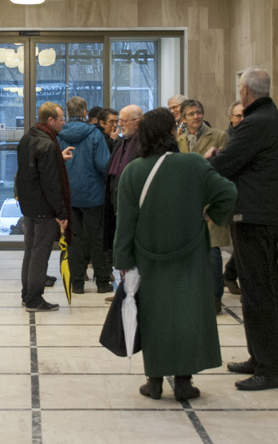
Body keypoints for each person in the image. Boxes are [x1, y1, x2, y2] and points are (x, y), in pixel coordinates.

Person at [116, 109, 237, 402]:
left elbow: (126, 222)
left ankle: (154, 381)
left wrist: (122, 261)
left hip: (148, 257)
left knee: (153, 316)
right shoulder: (193, 164)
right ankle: (184, 381)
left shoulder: (133, 170)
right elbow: (228, 193)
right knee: (186, 314)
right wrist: (210, 215)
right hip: (190, 254)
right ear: (172, 133)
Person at [208, 67, 278, 391]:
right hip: (263, 214)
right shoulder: (270, 118)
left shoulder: (255, 123)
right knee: (256, 291)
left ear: (244, 91)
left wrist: (209, 159)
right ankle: (259, 357)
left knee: (257, 294)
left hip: (253, 217)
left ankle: (269, 369)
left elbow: (226, 164)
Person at [16, 102, 74, 311]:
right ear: (50, 120)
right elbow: (51, 182)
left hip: (29, 207)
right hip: (44, 209)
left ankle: (27, 294)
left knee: (30, 252)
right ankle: (34, 299)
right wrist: (61, 212)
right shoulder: (48, 144)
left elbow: (31, 170)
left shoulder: (27, 138)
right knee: (40, 254)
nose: (63, 122)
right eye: (60, 119)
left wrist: (58, 158)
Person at [177, 99, 232, 313]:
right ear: (183, 118)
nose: (195, 117)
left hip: (209, 198)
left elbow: (226, 166)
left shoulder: (218, 136)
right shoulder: (179, 140)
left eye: (198, 112)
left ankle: (215, 297)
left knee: (212, 250)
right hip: (186, 201)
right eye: (190, 114)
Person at [57, 96, 113, 295]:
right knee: (98, 238)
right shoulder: (95, 134)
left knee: (74, 239)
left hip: (69, 196)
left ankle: (77, 283)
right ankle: (103, 282)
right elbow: (103, 165)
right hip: (93, 195)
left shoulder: (58, 135)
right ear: (84, 113)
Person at [104, 104, 143, 300]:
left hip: (132, 204)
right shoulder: (122, 142)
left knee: (130, 247)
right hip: (116, 201)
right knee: (120, 245)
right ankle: (123, 288)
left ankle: (132, 290)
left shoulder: (143, 144)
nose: (119, 125)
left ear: (137, 122)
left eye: (123, 121)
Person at [219, 100, 245, 297]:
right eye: (238, 116)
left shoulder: (248, 135)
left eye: (244, 115)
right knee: (240, 241)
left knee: (242, 242)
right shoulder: (228, 138)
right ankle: (229, 274)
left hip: (245, 197)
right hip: (233, 196)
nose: (242, 119)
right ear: (231, 118)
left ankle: (230, 273)